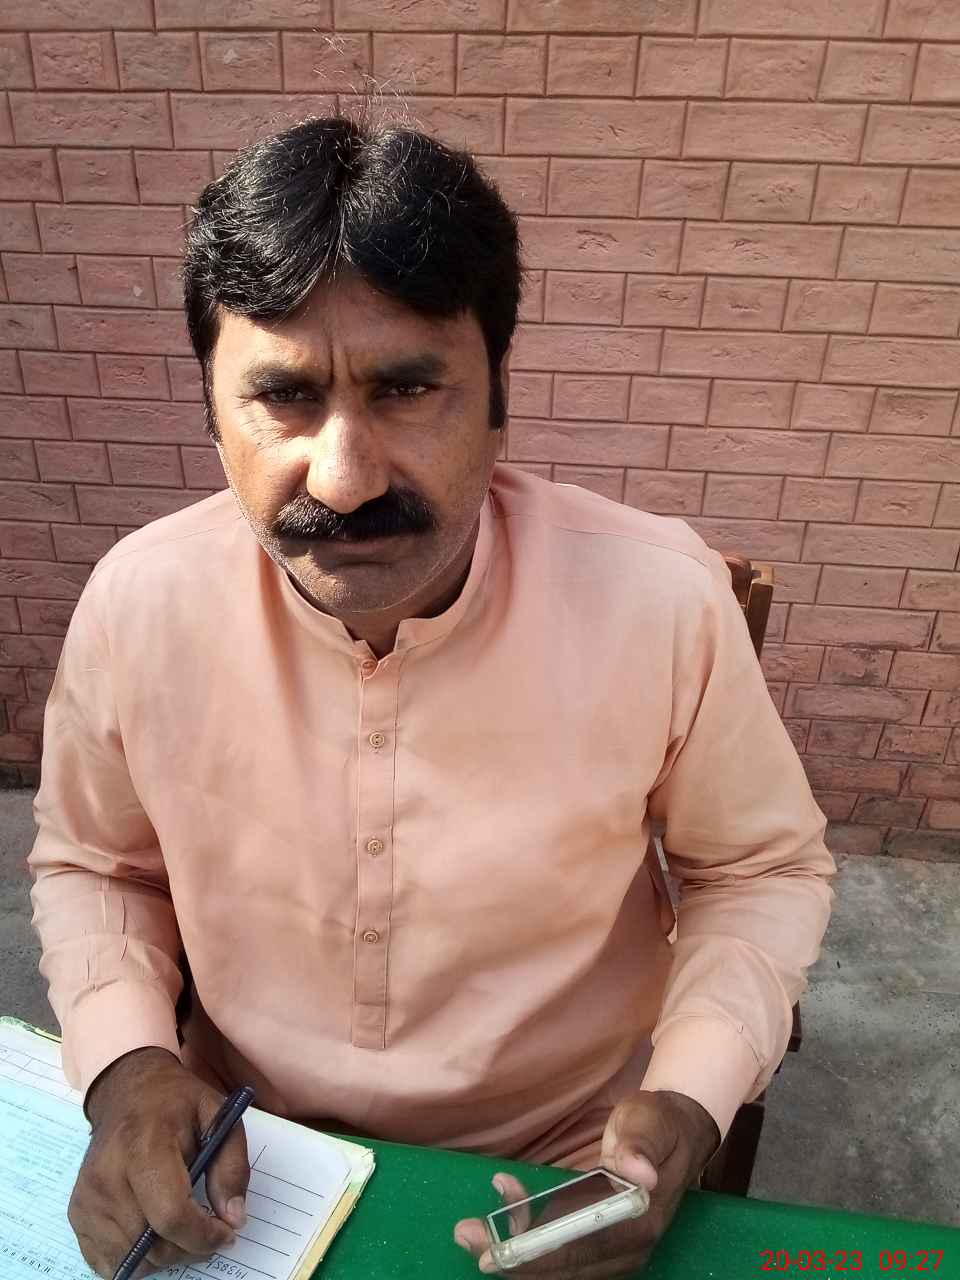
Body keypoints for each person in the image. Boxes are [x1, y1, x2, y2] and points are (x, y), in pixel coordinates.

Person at [28, 113, 836, 1280]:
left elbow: (759, 868)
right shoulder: (138, 605)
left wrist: (690, 1098)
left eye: (407, 388)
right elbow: (97, 863)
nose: (346, 474)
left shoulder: (661, 600)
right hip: (243, 1152)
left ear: (499, 398)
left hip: (562, 1160)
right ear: (211, 410)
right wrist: (127, 1065)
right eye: (283, 395)